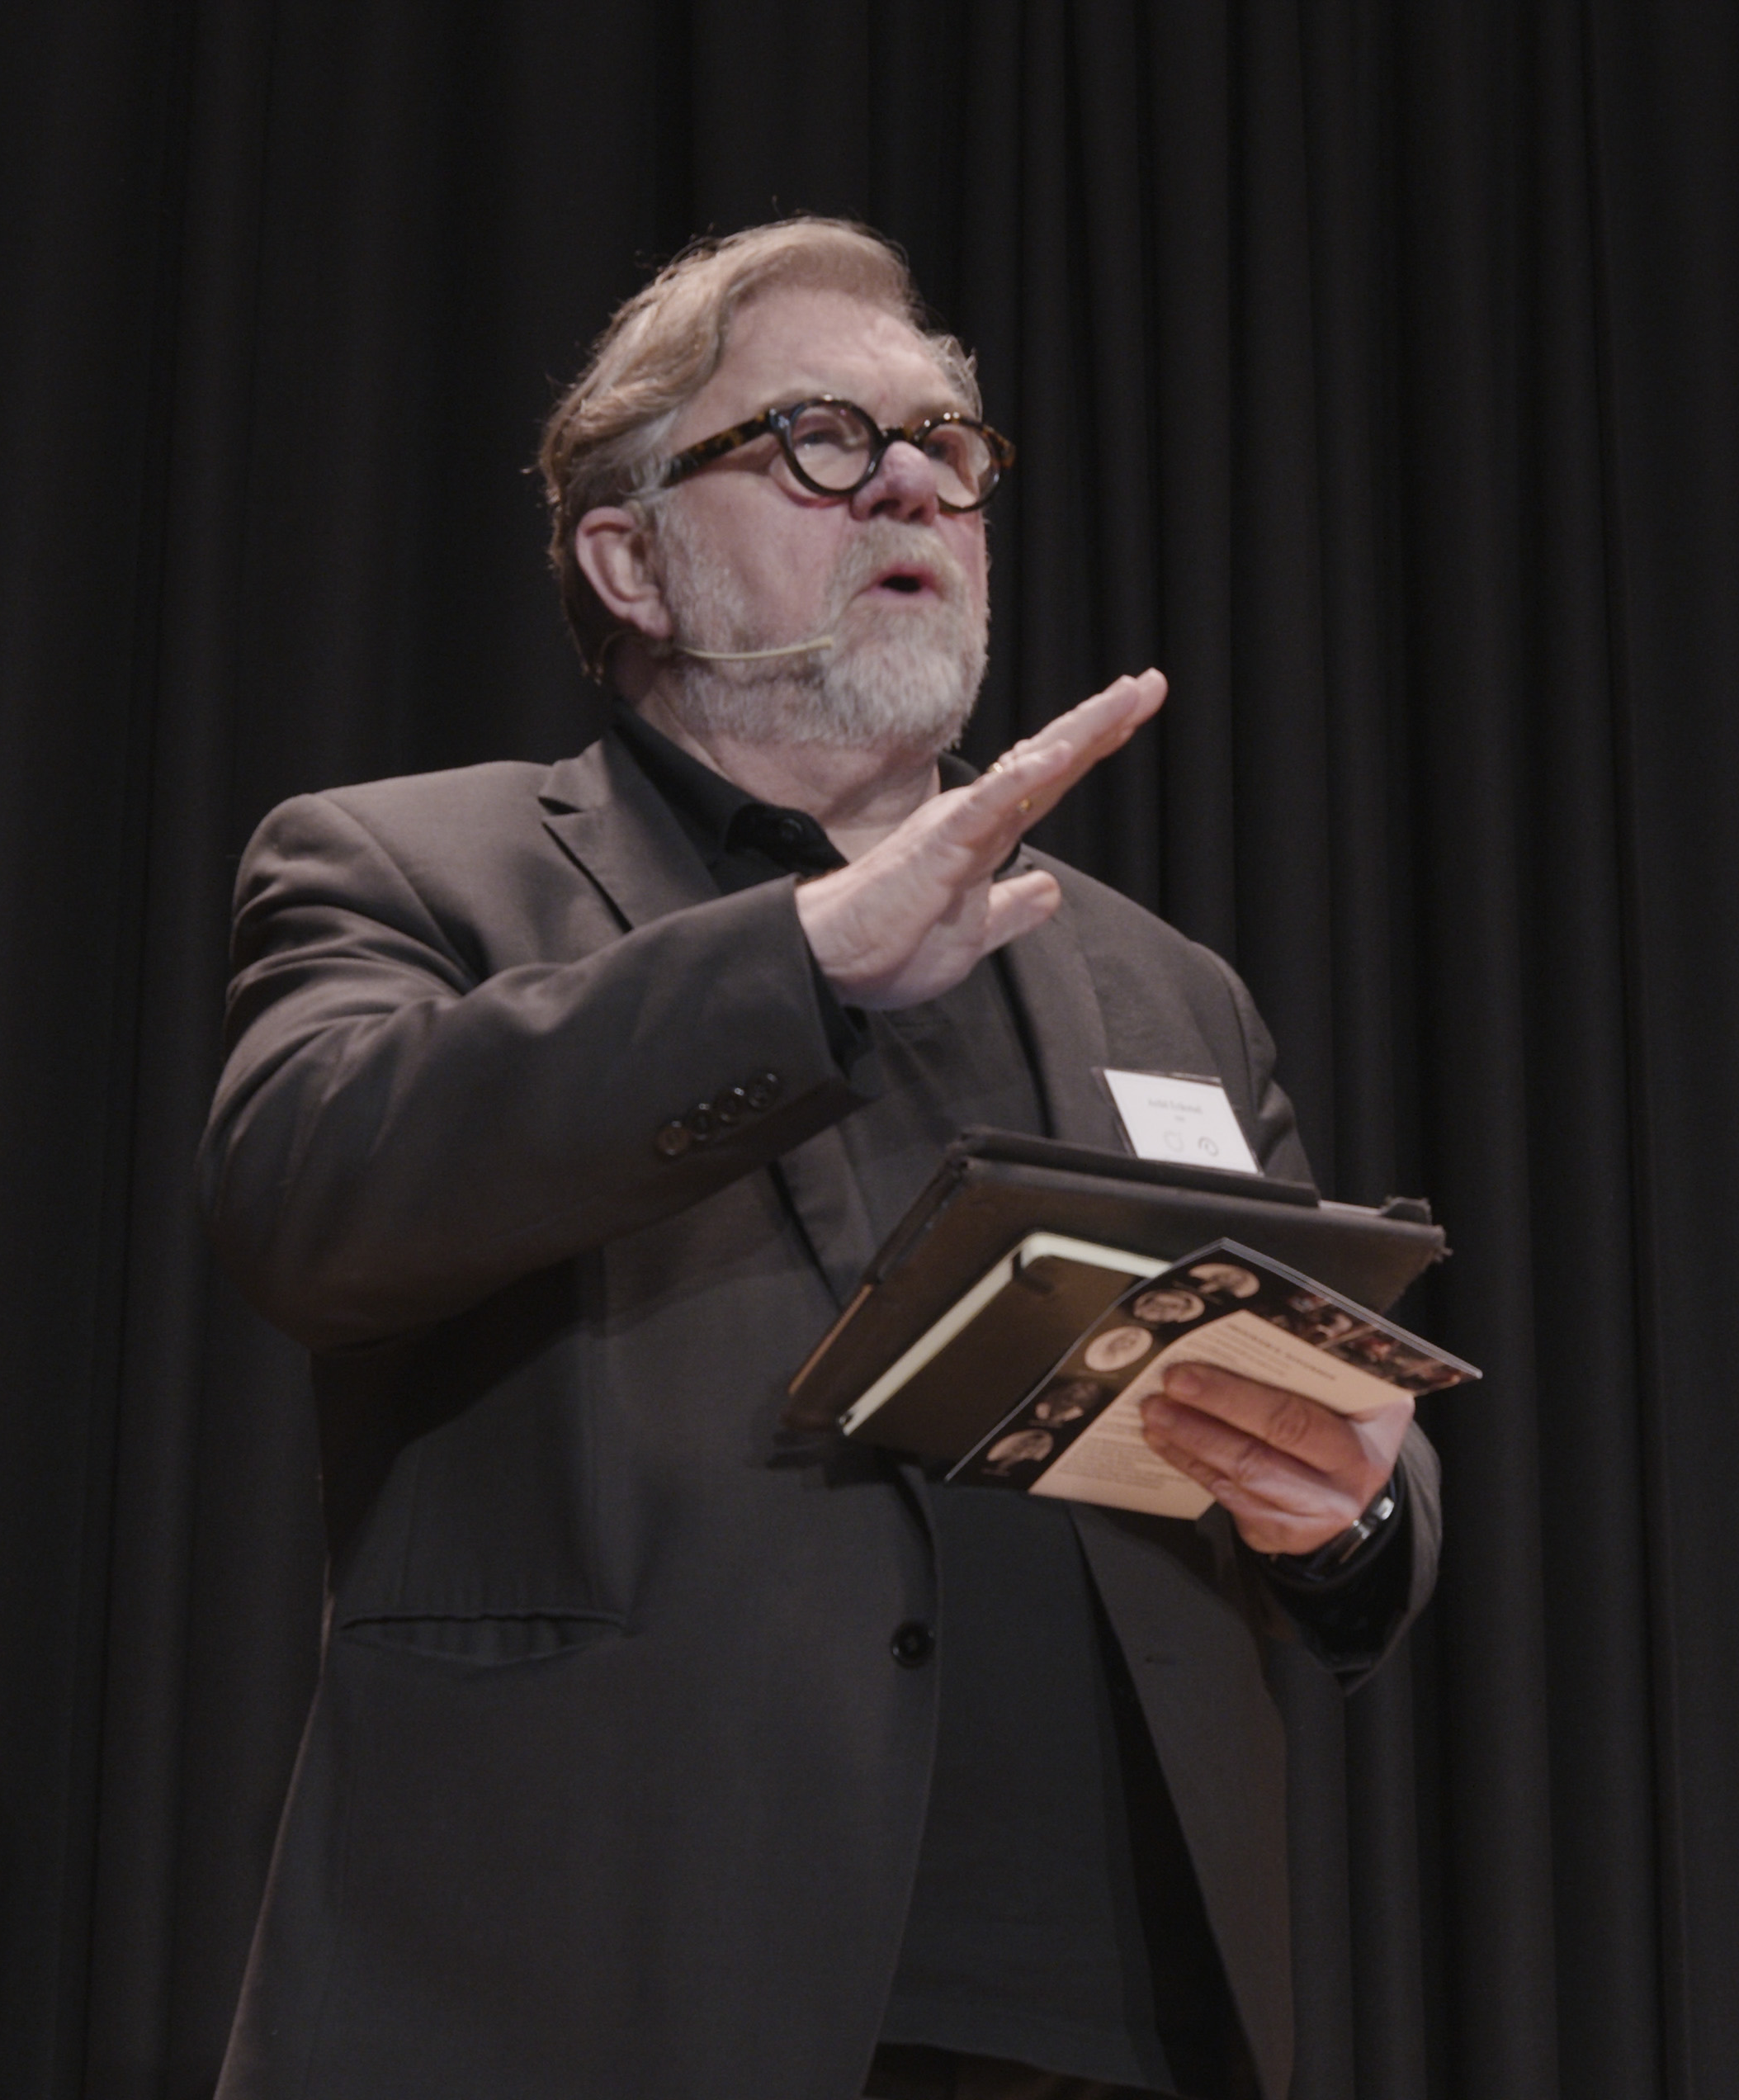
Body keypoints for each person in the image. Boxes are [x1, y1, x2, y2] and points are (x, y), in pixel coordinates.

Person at [201, 218, 1438, 2100]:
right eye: (821, 440)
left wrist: (1345, 1505)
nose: (916, 484)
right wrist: (801, 962)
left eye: (947, 443)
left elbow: (1341, 1440)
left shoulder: (1163, 987)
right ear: (630, 560)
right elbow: (307, 1194)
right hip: (607, 1996)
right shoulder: (420, 872)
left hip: (1115, 2025)